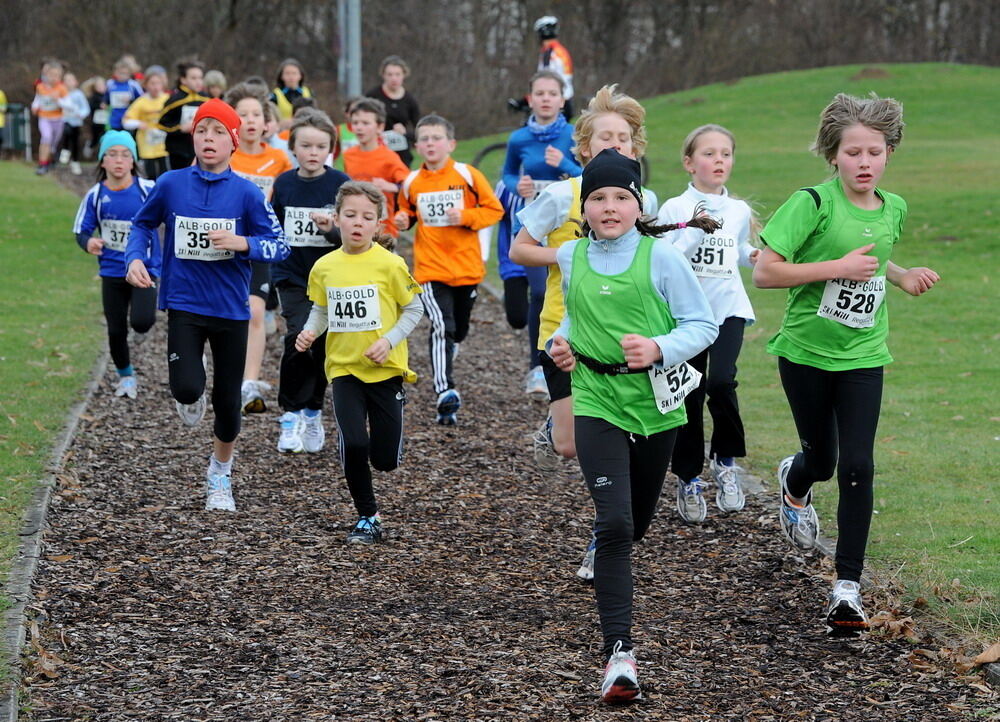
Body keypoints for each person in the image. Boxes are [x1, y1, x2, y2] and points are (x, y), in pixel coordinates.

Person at [752, 93, 939, 636]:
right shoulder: (811, 203)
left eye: (875, 152)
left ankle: (847, 589)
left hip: (863, 354)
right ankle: (796, 477)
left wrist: (899, 276)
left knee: (859, 465)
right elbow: (766, 272)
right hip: (806, 353)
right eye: (853, 152)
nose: (864, 162)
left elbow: (874, 256)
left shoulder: (894, 207)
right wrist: (836, 267)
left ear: (888, 153)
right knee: (824, 460)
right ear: (833, 154)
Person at [548, 149, 717, 702]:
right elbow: (574, 312)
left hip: (657, 405)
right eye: (598, 197)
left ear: (638, 203)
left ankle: (610, 545)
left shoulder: (661, 257)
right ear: (585, 206)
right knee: (616, 524)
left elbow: (703, 324)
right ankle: (619, 656)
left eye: (621, 196)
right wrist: (563, 342)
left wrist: (659, 348)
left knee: (635, 522)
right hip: (595, 397)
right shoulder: (571, 255)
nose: (610, 206)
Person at [509, 84, 657, 581]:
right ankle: (557, 428)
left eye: (623, 138)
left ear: (634, 148)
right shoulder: (560, 195)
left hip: (623, 337)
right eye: (603, 138)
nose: (613, 146)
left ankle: (605, 534)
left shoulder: (644, 198)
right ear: (584, 148)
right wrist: (573, 255)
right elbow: (519, 250)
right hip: (563, 331)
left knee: (625, 437)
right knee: (570, 446)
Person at [125, 98, 289, 512]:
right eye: (202, 131)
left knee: (228, 403)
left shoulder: (248, 194)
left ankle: (220, 473)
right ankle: (191, 394)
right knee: (185, 387)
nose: (209, 139)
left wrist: (244, 243)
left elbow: (279, 246)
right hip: (183, 302)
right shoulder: (171, 184)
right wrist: (135, 258)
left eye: (218, 132)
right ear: (192, 138)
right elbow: (143, 223)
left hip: (231, 309)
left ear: (234, 142)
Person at [296, 181, 423, 543]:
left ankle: (389, 432)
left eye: (367, 217)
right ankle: (368, 516)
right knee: (353, 443)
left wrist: (388, 340)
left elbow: (414, 308)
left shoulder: (391, 265)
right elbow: (321, 310)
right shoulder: (324, 267)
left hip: (384, 371)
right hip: (344, 368)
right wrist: (309, 333)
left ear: (378, 224)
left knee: (385, 459)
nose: (357, 223)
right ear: (336, 219)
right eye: (350, 215)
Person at [657, 124, 760, 523]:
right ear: (689, 162)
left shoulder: (738, 210)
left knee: (722, 382)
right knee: (690, 394)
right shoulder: (674, 209)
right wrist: (695, 231)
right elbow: (666, 261)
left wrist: (756, 257)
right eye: (709, 153)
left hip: (729, 308)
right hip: (687, 316)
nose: (719, 161)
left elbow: (737, 249)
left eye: (726, 154)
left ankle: (726, 461)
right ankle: (687, 478)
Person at [394, 114, 504, 425]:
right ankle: (445, 391)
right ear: (417, 146)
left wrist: (466, 216)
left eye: (436, 138)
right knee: (442, 325)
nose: (430, 143)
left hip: (467, 268)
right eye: (424, 139)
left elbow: (494, 210)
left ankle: (445, 359)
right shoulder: (412, 181)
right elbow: (407, 210)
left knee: (459, 330)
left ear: (451, 143)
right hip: (430, 268)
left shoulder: (467, 175)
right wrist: (403, 219)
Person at [270, 109, 350, 453]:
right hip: (292, 276)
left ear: (330, 148)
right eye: (306, 146)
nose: (313, 153)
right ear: (294, 147)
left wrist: (331, 229)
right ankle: (289, 415)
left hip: (331, 279)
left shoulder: (340, 184)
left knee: (321, 346)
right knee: (296, 338)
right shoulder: (284, 184)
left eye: (320, 146)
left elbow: (353, 236)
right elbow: (272, 229)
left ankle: (314, 411)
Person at [497, 70, 581, 400]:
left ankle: (566, 356)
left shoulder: (575, 135)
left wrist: (567, 165)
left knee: (562, 293)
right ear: (530, 99)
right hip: (534, 224)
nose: (545, 99)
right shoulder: (519, 139)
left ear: (562, 101)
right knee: (540, 292)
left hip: (568, 225)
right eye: (539, 93)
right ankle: (538, 366)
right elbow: (507, 172)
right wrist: (518, 184)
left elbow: (591, 176)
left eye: (552, 93)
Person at [224, 82, 294, 414]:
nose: (251, 120)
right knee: (225, 315)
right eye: (243, 115)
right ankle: (226, 373)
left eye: (257, 114)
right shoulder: (223, 155)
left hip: (258, 245)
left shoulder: (279, 160)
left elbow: (288, 201)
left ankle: (249, 383)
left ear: (267, 121)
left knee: (254, 312)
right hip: (221, 247)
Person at [72, 131, 158, 398]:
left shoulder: (148, 190)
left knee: (142, 322)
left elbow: (172, 211)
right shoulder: (95, 195)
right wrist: (89, 243)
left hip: (144, 268)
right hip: (111, 270)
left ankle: (140, 328)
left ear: (133, 161)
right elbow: (82, 230)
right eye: (112, 154)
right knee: (115, 328)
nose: (119, 161)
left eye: (125, 155)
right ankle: (126, 376)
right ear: (102, 161)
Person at [342, 97, 410, 239]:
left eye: (366, 123)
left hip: (383, 231)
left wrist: (391, 186)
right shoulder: (349, 155)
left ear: (379, 127)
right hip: (355, 230)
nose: (359, 127)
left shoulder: (389, 157)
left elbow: (411, 185)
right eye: (355, 123)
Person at [365, 56, 420, 167]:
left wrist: (405, 133)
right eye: (389, 74)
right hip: (376, 150)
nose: (393, 78)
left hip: (401, 154)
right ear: (383, 75)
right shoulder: (373, 96)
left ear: (404, 75)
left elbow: (420, 131)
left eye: (397, 74)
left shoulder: (410, 100)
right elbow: (361, 120)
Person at [158, 59, 208, 170]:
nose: (198, 82)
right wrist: (180, 128)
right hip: (178, 152)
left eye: (200, 78)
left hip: (201, 150)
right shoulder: (174, 101)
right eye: (194, 78)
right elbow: (161, 124)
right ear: (183, 80)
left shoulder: (206, 98)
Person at [123, 66, 170, 180]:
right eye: (152, 83)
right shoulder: (141, 102)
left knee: (166, 175)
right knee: (151, 175)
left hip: (164, 145)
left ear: (162, 84)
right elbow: (126, 121)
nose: (155, 87)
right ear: (146, 85)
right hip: (147, 144)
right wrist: (139, 123)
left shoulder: (168, 99)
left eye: (158, 83)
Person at [31, 61, 68, 174]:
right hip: (44, 117)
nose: (53, 78)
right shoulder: (40, 87)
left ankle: (50, 159)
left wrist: (59, 100)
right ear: (46, 75)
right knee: (46, 137)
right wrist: (34, 106)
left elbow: (69, 104)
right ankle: (42, 164)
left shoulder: (62, 88)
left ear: (60, 77)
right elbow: (38, 100)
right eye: (51, 75)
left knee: (53, 143)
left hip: (58, 119)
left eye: (56, 75)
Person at [534, 16, 574, 119]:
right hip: (565, 98)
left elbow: (545, 78)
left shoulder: (549, 52)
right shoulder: (560, 50)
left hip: (557, 101)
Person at [58, 72, 90, 175]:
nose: (68, 83)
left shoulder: (78, 94)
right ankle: (65, 151)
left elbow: (85, 108)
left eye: (71, 80)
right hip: (64, 120)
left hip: (76, 122)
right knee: (66, 132)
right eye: (66, 80)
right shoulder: (61, 93)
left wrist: (81, 114)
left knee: (75, 142)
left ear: (75, 82)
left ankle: (75, 162)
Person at [102, 60, 144, 132]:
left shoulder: (133, 85)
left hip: (129, 119)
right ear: (115, 72)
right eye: (121, 73)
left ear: (129, 74)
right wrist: (104, 103)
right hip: (114, 118)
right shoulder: (110, 83)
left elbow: (142, 100)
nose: (123, 76)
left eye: (125, 73)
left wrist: (130, 101)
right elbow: (106, 97)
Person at [270, 59, 313, 128]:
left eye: (294, 73)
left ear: (300, 76)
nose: (291, 77)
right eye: (287, 73)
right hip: (282, 131)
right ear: (281, 76)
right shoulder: (275, 95)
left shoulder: (308, 93)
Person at [82, 76, 108, 158]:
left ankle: (104, 155)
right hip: (96, 123)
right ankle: (90, 146)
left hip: (106, 123)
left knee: (105, 138)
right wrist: (99, 106)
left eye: (103, 86)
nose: (101, 88)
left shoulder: (107, 96)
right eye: (99, 86)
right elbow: (91, 106)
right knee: (95, 139)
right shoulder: (94, 97)